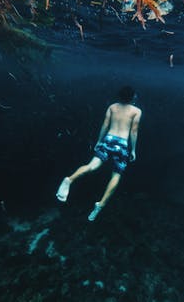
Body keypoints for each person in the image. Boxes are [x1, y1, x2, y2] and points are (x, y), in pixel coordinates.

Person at [56, 86, 142, 221]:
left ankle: (69, 179)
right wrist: (133, 150)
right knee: (116, 175)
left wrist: (99, 141)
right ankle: (100, 204)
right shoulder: (136, 111)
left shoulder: (112, 107)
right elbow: (134, 131)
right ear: (132, 97)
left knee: (92, 166)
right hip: (122, 145)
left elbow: (105, 125)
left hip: (108, 139)